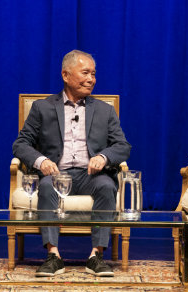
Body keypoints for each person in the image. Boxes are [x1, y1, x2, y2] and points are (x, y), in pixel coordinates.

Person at [13, 50, 131, 278]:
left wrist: (103, 157)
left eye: (94, 74)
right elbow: (20, 144)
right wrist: (42, 160)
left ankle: (96, 256)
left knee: (107, 186)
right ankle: (53, 256)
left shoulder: (105, 110)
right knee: (46, 187)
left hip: (92, 176)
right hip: (57, 175)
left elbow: (123, 146)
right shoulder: (42, 108)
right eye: (85, 72)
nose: (91, 79)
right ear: (66, 75)